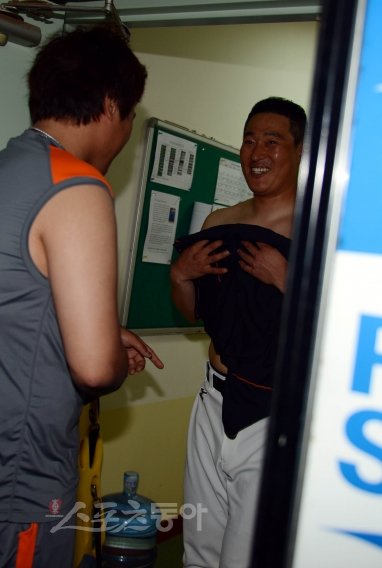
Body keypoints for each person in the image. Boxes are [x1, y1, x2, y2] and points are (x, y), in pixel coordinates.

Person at [0, 25, 163, 568]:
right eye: (131, 115)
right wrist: (109, 352)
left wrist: (100, 329)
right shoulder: (78, 187)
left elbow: (5, 306)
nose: (127, 132)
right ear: (111, 105)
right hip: (5, 495)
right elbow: (94, 369)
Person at [170, 97, 307, 568]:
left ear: (301, 151)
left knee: (246, 554)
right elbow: (195, 314)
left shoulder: (322, 232)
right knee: (199, 547)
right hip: (213, 398)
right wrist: (181, 277)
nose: (257, 152)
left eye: (272, 141)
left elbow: (339, 326)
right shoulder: (219, 223)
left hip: (274, 410)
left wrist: (287, 278)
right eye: (249, 140)